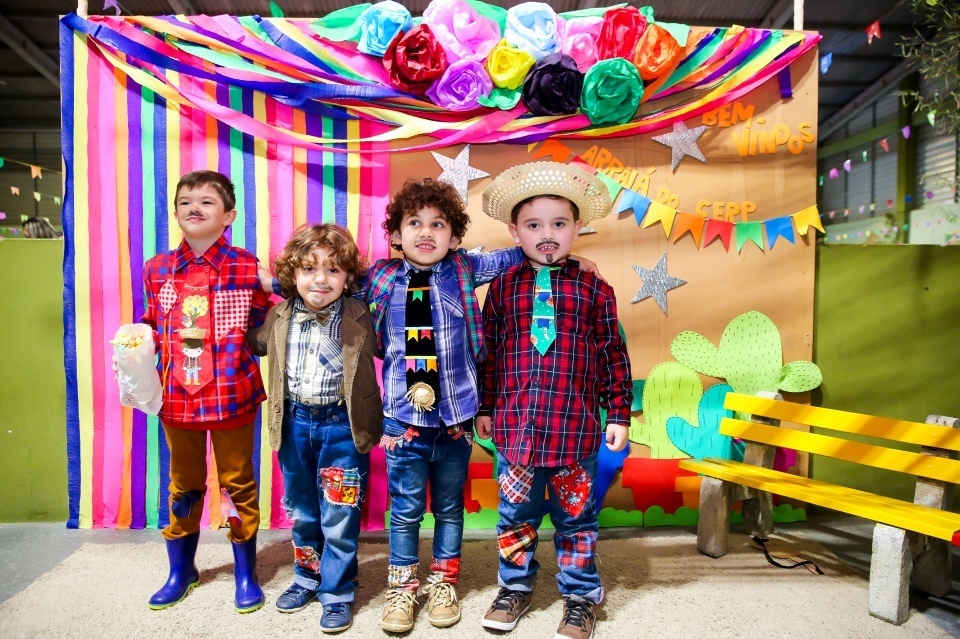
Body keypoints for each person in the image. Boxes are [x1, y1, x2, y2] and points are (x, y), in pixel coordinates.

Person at [258, 177, 602, 633]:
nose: (426, 232)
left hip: (455, 418)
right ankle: (402, 587)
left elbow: (521, 251)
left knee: (449, 508)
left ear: (455, 237)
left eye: (438, 224)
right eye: (414, 223)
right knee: (404, 511)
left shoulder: (465, 268)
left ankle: (444, 582)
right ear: (396, 235)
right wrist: (275, 282)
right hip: (403, 420)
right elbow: (326, 279)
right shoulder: (380, 277)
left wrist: (576, 260)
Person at [475, 161, 633, 639]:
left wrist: (619, 412)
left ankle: (581, 596)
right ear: (514, 232)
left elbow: (613, 353)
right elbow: (489, 353)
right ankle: (514, 587)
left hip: (574, 431)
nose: (547, 235)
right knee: (515, 517)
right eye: (534, 225)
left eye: (559, 224)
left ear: (577, 227)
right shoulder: (502, 287)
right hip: (517, 432)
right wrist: (485, 407)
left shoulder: (595, 288)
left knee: (576, 518)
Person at [141, 170, 270, 613]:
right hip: (177, 397)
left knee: (239, 484)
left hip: (232, 394)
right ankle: (181, 570)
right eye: (185, 201)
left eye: (206, 201)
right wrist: (134, 342)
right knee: (183, 485)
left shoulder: (247, 266)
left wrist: (277, 287)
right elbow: (152, 323)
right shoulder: (156, 268)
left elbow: (264, 322)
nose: (194, 207)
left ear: (229, 215)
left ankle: (246, 573)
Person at [247, 224, 382, 633]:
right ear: (293, 274)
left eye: (333, 270)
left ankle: (337, 591)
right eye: (309, 269)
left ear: (348, 276)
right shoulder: (280, 314)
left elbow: (382, 289)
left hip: (343, 427)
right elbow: (254, 343)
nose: (321, 279)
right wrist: (255, 290)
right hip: (294, 425)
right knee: (303, 511)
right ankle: (307, 577)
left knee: (340, 513)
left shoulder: (361, 313)